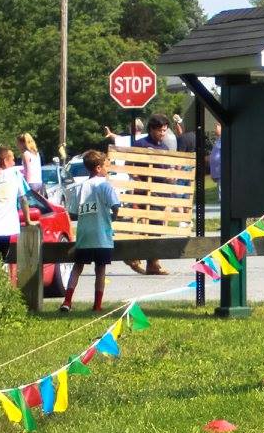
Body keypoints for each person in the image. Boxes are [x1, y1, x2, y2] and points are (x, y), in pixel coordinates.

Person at [60, 150, 122, 313]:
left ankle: (67, 301)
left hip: (84, 236)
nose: (107, 169)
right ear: (98, 168)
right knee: (100, 269)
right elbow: (115, 206)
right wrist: (113, 217)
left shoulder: (81, 187)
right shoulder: (105, 185)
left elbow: (73, 212)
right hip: (102, 235)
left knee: (77, 267)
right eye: (105, 166)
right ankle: (97, 305)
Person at [125, 113, 177, 275]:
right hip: (144, 192)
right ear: (152, 129)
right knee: (147, 226)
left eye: (165, 130)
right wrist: (138, 180)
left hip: (160, 192)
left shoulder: (165, 148)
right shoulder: (141, 144)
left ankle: (152, 263)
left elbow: (169, 170)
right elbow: (128, 164)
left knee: (156, 227)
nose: (163, 133)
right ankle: (134, 255)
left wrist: (171, 177)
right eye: (160, 130)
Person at [0, 145, 33, 265]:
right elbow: (23, 199)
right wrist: (27, 220)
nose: (14, 162)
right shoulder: (15, 174)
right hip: (4, 228)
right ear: (5, 161)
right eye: (12, 159)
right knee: (0, 260)